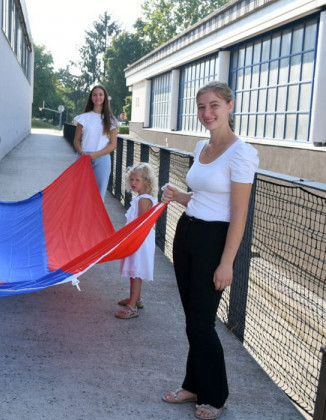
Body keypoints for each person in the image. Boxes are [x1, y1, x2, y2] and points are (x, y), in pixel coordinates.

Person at [160, 81, 259, 420]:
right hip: (187, 231)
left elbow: (239, 213)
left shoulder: (242, 152)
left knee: (202, 323)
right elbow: (202, 196)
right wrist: (178, 195)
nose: (207, 113)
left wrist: (227, 262)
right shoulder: (201, 145)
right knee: (193, 321)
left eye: (214, 105)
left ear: (230, 106)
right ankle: (193, 385)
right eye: (202, 107)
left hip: (214, 243)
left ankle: (215, 395)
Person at [116, 162, 157, 319]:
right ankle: (137, 299)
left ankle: (131, 306)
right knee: (135, 271)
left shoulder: (143, 200)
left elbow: (141, 224)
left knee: (135, 272)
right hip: (139, 239)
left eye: (137, 180)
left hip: (139, 241)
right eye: (131, 179)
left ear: (146, 181)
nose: (133, 183)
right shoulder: (142, 198)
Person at [73, 85, 119, 202]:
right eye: (94, 94)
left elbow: (113, 145)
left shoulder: (111, 120)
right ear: (91, 98)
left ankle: (95, 220)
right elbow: (77, 140)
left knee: (98, 194)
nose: (97, 97)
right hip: (83, 158)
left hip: (102, 159)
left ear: (105, 97)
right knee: (80, 193)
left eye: (100, 94)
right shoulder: (83, 118)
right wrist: (82, 152)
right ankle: (81, 219)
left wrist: (96, 154)